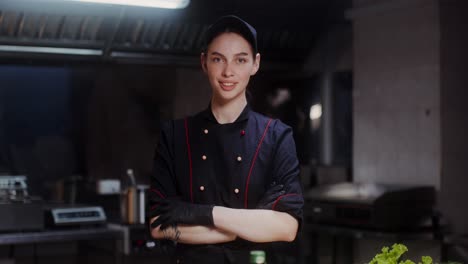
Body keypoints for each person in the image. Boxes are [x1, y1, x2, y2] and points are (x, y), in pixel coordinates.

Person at [148, 15, 304, 264]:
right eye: (218, 59)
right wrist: (252, 226)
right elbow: (159, 226)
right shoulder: (175, 135)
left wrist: (200, 213)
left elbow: (286, 227)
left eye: (240, 60)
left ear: (255, 64)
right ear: (204, 62)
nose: (228, 72)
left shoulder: (276, 136)